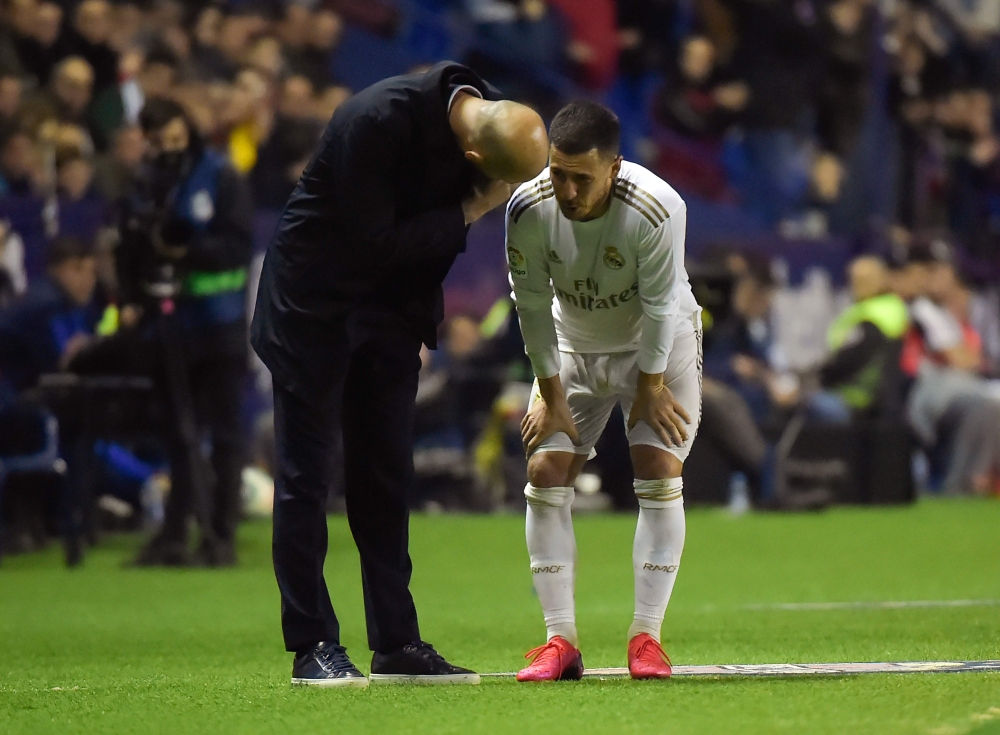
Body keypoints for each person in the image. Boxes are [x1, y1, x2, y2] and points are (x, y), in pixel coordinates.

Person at [250, 62, 548, 687]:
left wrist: (412, 324)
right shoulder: (371, 121)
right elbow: (374, 244)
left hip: (388, 312)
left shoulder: (495, 117)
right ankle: (313, 645)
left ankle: (397, 643)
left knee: (386, 475)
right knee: (306, 478)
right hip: (315, 304)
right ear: (472, 151)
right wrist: (471, 208)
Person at [506, 101, 701, 681]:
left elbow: (662, 304)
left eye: (580, 177)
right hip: (572, 347)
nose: (565, 189)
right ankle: (558, 642)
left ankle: (647, 636)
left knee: (659, 467)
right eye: (557, 172)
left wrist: (651, 384)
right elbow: (532, 305)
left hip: (656, 344)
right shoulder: (527, 207)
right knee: (544, 472)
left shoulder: (659, 207)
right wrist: (550, 391)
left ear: (614, 167)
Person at [119, 98, 253, 567]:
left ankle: (221, 534)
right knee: (177, 431)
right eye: (158, 142)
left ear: (188, 131)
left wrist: (185, 252)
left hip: (219, 322)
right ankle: (174, 533)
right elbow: (131, 244)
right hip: (170, 323)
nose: (168, 149)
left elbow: (238, 246)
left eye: (175, 139)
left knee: (224, 433)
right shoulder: (145, 182)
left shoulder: (219, 174)